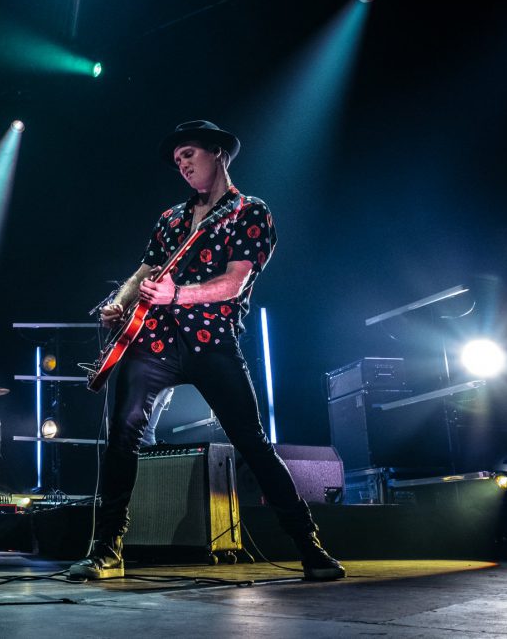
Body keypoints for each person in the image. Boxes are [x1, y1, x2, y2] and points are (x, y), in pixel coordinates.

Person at [70, 120, 345, 581]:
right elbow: (146, 269)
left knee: (252, 442)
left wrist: (176, 295)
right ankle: (106, 550)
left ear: (217, 152)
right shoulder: (170, 219)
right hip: (153, 340)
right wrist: (120, 303)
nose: (182, 165)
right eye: (177, 160)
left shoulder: (249, 211)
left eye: (189, 154)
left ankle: (309, 547)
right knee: (122, 438)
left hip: (211, 341)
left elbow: (235, 282)